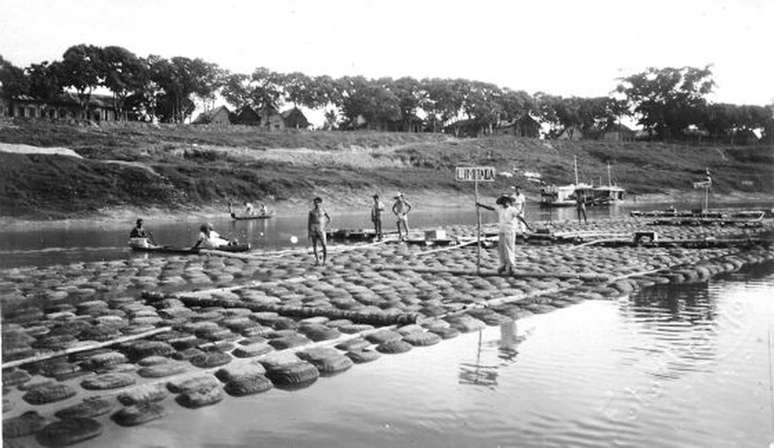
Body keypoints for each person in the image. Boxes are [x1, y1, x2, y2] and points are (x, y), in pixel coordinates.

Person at [477, 195, 519, 274]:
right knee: (501, 248)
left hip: (510, 231)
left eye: (506, 201)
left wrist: (527, 226)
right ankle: (503, 265)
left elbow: (520, 217)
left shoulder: (512, 210)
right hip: (502, 231)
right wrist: (481, 205)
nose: (504, 203)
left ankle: (511, 265)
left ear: (509, 202)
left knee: (509, 248)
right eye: (503, 201)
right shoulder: (500, 209)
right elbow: (491, 208)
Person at [307, 197, 331, 265]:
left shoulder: (323, 210)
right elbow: (309, 222)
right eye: (315, 202)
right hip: (314, 230)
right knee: (315, 245)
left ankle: (324, 261)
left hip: (321, 230)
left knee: (324, 245)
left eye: (317, 202)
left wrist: (325, 226)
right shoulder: (311, 211)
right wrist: (309, 232)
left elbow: (329, 219)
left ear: (321, 203)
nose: (316, 204)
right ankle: (317, 260)